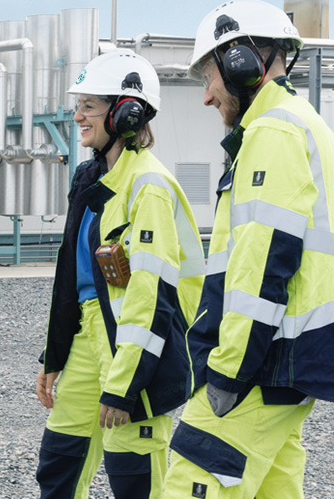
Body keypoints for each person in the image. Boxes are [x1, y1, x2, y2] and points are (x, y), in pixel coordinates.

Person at [164, 0, 334, 498]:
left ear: (241, 64)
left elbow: (262, 265)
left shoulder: (273, 131)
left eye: (207, 78)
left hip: (262, 363)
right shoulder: (300, 123)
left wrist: (229, 370)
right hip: (289, 360)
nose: (208, 97)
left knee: (191, 479)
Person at [34, 50, 204, 499]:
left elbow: (151, 297)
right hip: (91, 341)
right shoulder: (93, 180)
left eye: (88, 106)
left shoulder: (148, 187)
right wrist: (54, 357)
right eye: (79, 106)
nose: (77, 117)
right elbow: (71, 279)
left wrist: (126, 383)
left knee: (134, 478)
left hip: (137, 351)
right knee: (59, 463)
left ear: (126, 111)